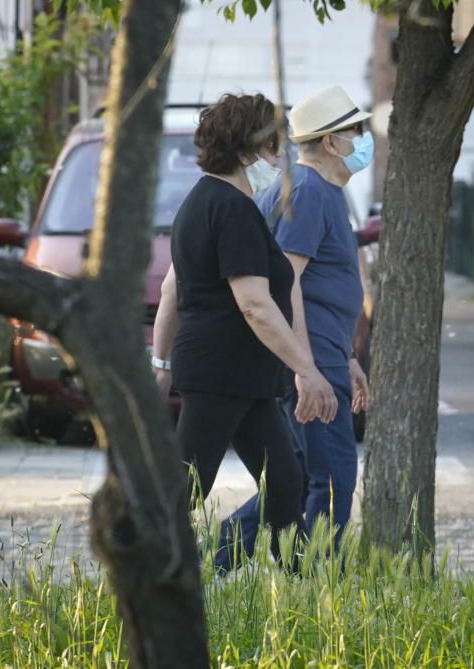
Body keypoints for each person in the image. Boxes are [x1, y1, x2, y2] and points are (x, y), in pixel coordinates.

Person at [150, 93, 337, 568]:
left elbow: (173, 289)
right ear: (245, 149)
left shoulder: (202, 203)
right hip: (221, 374)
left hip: (243, 378)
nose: (281, 159)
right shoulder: (230, 209)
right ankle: (144, 580)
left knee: (285, 481)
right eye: (274, 149)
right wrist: (307, 370)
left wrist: (162, 362)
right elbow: (254, 303)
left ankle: (300, 589)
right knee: (186, 483)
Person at [216, 85, 372, 562]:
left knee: (299, 477)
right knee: (332, 479)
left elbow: (321, 285)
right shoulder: (306, 192)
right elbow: (288, 286)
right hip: (310, 361)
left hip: (325, 355)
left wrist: (345, 356)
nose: (364, 140)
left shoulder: (318, 192)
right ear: (330, 142)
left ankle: (211, 561)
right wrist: (309, 369)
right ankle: (315, 591)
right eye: (356, 131)